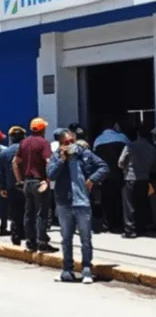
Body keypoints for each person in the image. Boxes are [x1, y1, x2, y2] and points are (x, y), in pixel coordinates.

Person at [48, 130, 109, 284]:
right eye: (66, 143)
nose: (69, 145)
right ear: (61, 144)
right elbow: (51, 175)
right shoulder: (56, 156)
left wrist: (92, 179)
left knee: (85, 239)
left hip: (82, 203)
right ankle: (67, 270)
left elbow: (104, 166)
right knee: (66, 239)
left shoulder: (85, 154)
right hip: (64, 203)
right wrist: (61, 160)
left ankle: (86, 269)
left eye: (71, 141)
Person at [13, 117, 58, 253]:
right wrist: (49, 179)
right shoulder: (44, 143)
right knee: (42, 213)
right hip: (40, 181)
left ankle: (30, 241)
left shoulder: (24, 142)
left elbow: (15, 162)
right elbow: (49, 161)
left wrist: (20, 180)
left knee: (29, 213)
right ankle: (42, 242)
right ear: (42, 129)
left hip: (27, 181)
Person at [118, 124, 156, 238]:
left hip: (130, 177)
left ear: (138, 134)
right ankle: (142, 228)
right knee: (142, 203)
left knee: (129, 204)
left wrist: (125, 169)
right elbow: (153, 164)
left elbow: (120, 162)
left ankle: (130, 230)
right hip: (144, 178)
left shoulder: (130, 145)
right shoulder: (152, 148)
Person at [93, 120, 130, 233]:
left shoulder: (98, 140)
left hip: (105, 176)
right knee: (119, 199)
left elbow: (94, 159)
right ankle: (119, 224)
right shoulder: (123, 137)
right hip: (120, 174)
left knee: (106, 200)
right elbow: (129, 153)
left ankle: (107, 223)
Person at [0, 126, 27, 245]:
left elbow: (1, 172)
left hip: (11, 186)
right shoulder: (27, 150)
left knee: (15, 213)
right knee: (28, 211)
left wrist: (2, 187)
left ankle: (16, 236)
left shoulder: (5, 152)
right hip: (27, 185)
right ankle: (27, 234)